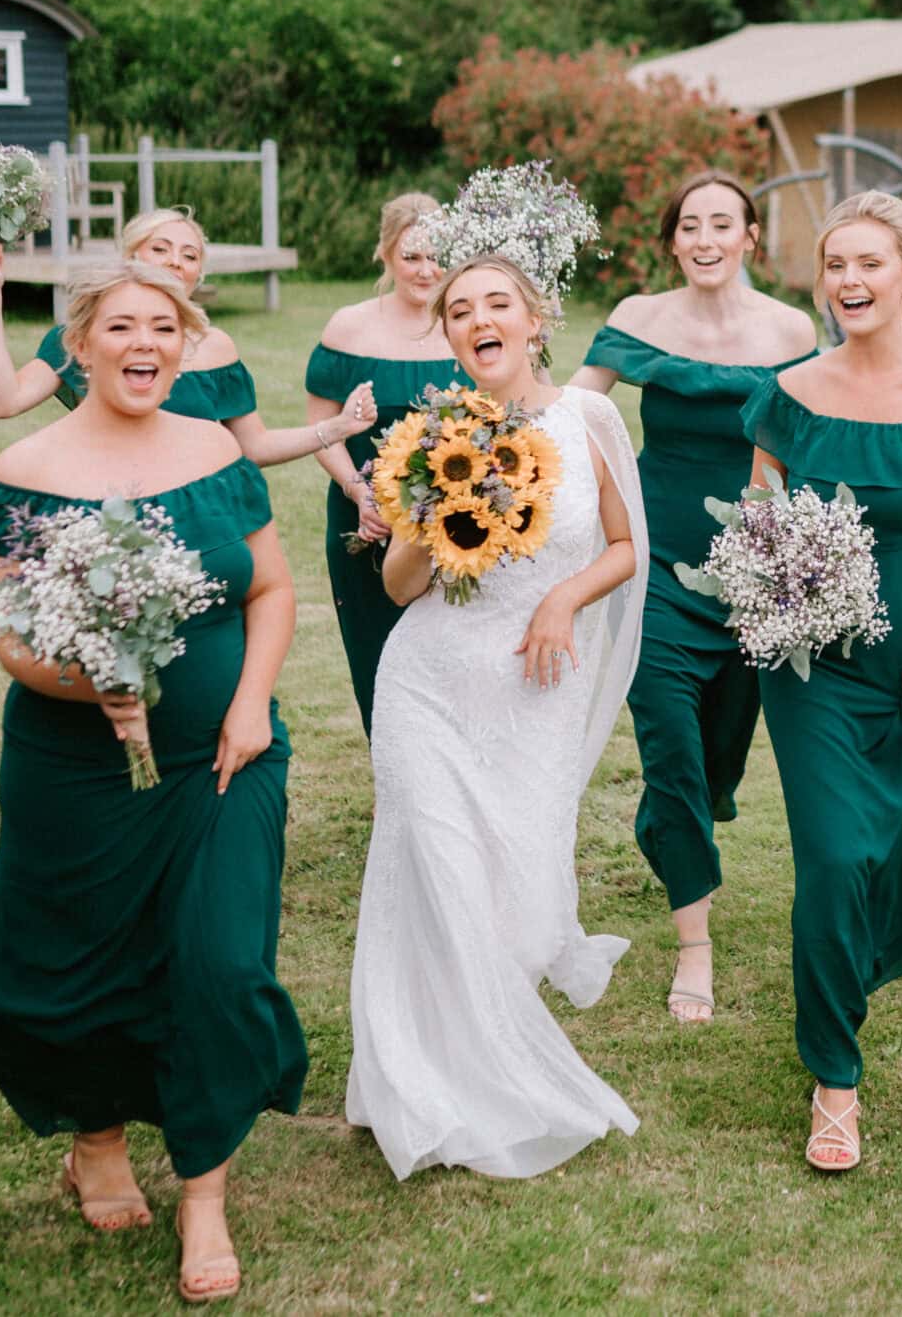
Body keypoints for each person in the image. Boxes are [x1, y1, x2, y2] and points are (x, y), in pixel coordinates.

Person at [0, 261, 304, 1304]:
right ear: (80, 347)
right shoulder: (27, 468)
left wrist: (250, 705)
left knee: (223, 965)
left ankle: (203, 1196)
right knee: (80, 958)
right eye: (121, 328)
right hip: (75, 773)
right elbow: (8, 636)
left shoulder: (211, 452)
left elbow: (272, 586)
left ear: (185, 347)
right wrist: (86, 680)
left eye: (165, 328)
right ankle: (96, 1141)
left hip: (225, 764)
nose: (144, 344)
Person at [343, 254, 649, 1180]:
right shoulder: (436, 431)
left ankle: (477, 1054)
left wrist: (563, 597)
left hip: (534, 684)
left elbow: (628, 547)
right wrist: (441, 518)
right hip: (430, 681)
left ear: (533, 318)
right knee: (431, 867)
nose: (479, 320)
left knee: (514, 893)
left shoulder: (588, 418)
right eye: (460, 311)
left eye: (497, 304)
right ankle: (410, 1078)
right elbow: (399, 588)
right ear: (450, 336)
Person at [742, 190, 902, 1172]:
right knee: (836, 859)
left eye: (868, 265)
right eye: (835, 265)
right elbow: (755, 522)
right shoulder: (787, 394)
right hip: (806, 667)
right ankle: (833, 1082)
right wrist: (764, 602)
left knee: (889, 856)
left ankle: (851, 970)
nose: (849, 281)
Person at [569, 171, 816, 1023]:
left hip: (752, 571)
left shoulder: (791, 327)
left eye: (725, 223)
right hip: (656, 562)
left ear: (750, 237)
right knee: (670, 743)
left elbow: (814, 431)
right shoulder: (639, 318)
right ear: (672, 240)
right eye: (690, 225)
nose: (706, 238)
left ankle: (675, 825)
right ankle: (694, 950)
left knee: (714, 765)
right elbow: (573, 411)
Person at [0, 211, 375, 461]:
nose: (175, 262)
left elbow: (254, 446)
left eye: (189, 255)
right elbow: (4, 401)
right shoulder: (83, 338)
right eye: (160, 248)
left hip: (199, 510)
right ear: (130, 258)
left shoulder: (217, 348)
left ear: (199, 274)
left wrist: (337, 427)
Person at [306, 195, 458, 734]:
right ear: (386, 253)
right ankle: (394, 781)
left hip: (455, 527)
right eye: (411, 256)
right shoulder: (349, 327)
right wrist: (355, 490)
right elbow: (322, 426)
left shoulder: (464, 325)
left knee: (447, 664)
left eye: (437, 256)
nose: (426, 270)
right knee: (378, 657)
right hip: (365, 523)